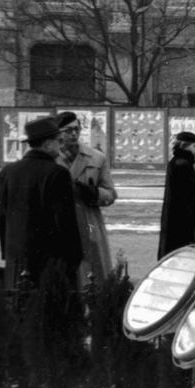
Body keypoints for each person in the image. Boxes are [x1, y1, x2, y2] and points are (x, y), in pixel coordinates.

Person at [0, 115, 85, 289]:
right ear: (48, 144)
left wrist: (8, 253)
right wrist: (75, 257)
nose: (61, 145)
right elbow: (65, 222)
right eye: (58, 140)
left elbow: (0, 217)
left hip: (16, 257)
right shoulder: (57, 173)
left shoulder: (7, 172)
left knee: (19, 306)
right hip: (49, 259)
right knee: (48, 309)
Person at [55, 111, 116, 284]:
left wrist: (95, 193)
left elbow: (111, 193)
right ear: (58, 133)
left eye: (77, 129)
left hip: (87, 220)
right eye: (68, 130)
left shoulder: (97, 158)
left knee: (91, 274)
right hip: (59, 221)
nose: (74, 133)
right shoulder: (49, 160)